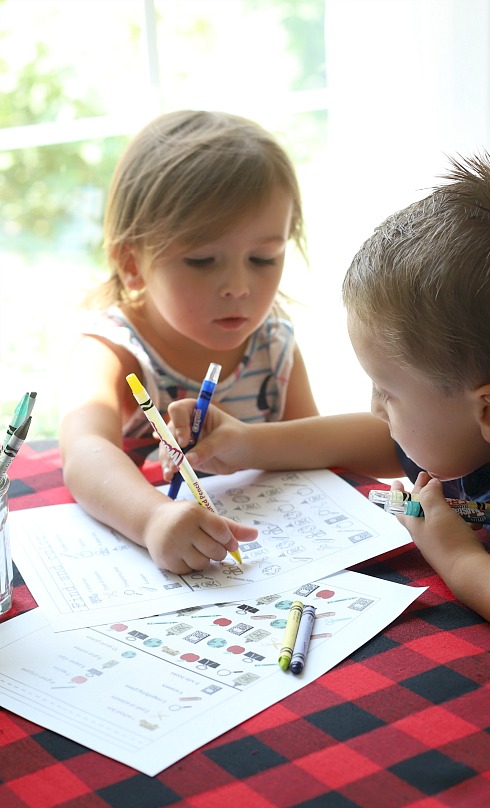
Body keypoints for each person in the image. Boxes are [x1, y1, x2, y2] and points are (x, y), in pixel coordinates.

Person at [166, 145, 490, 686]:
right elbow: (384, 438)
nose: (375, 406)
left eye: (386, 391)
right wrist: (249, 443)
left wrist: (462, 564)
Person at [59, 109, 320, 574]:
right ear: (133, 263)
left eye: (263, 258)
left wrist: (252, 443)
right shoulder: (112, 349)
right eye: (202, 260)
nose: (238, 286)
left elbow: (316, 447)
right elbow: (83, 456)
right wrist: (153, 517)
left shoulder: (273, 347)